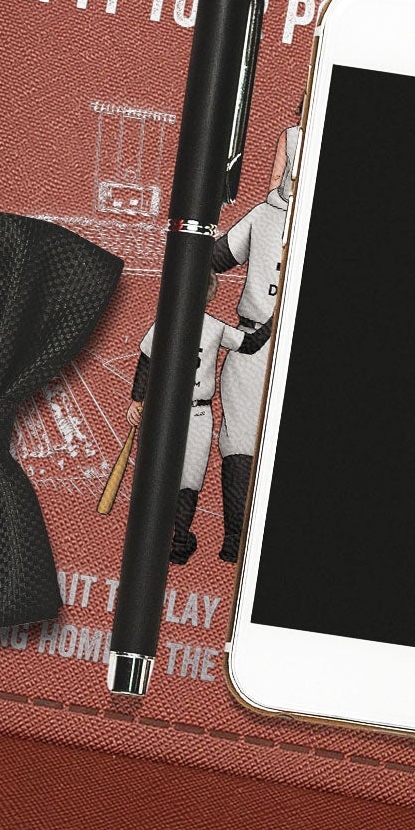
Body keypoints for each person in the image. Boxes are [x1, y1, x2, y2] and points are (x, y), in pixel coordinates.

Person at [209, 125, 301, 560]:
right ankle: (235, 541)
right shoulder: (265, 216)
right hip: (252, 342)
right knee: (240, 440)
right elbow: (214, 257)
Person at [124, 281, 244, 566]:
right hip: (184, 412)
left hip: (177, 412)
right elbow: (249, 342)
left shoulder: (175, 323)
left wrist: (137, 400)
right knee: (179, 478)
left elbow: (145, 361)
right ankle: (173, 540)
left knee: (179, 478)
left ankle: (174, 541)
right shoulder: (210, 326)